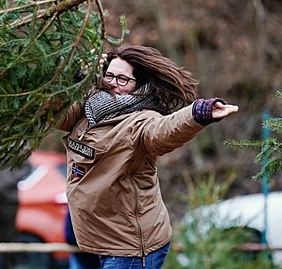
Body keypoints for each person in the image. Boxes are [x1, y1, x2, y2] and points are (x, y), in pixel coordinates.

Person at [57, 45, 239, 269]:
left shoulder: (141, 121)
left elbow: (164, 131)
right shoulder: (88, 109)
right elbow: (53, 113)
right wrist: (72, 79)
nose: (113, 83)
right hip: (97, 242)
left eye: (123, 79)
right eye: (109, 75)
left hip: (130, 247)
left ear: (139, 86)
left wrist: (197, 114)